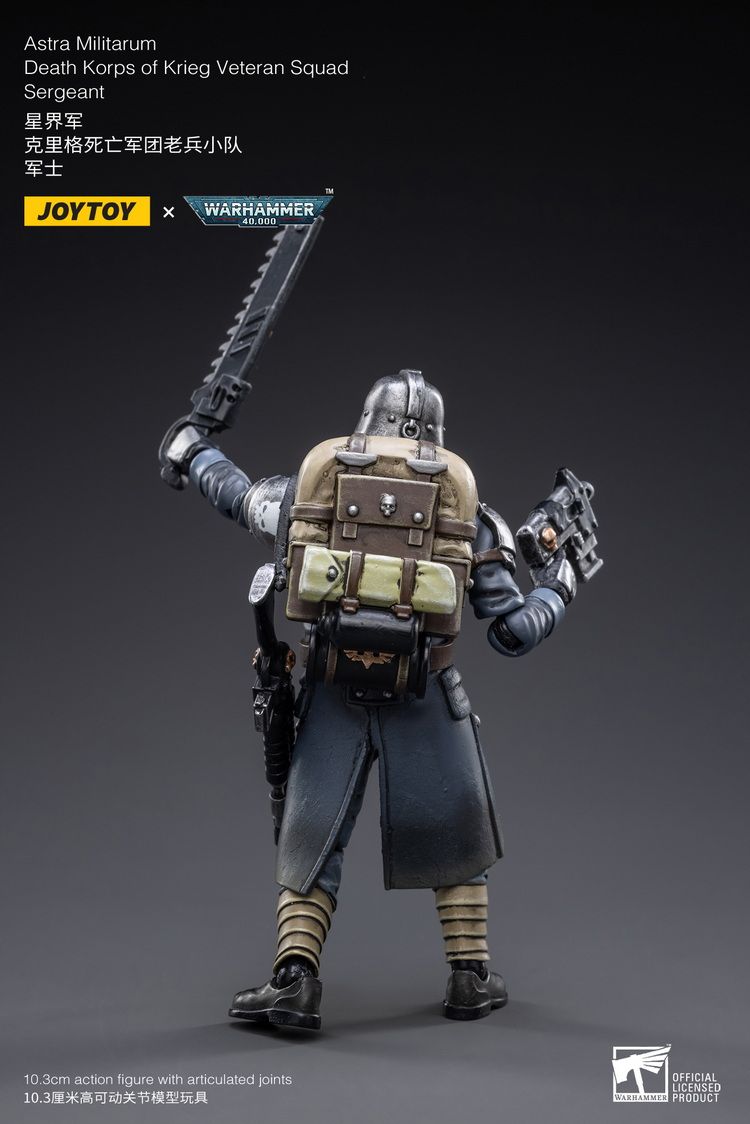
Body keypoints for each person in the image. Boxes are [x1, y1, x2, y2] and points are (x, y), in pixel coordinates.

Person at [163, 369, 586, 1029]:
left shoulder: (312, 494)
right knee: (459, 831)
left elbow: (239, 496)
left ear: (365, 424)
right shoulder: (471, 517)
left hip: (333, 688)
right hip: (427, 690)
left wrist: (191, 451)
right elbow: (511, 632)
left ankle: (295, 980)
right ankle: (470, 977)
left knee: (311, 834)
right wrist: (560, 584)